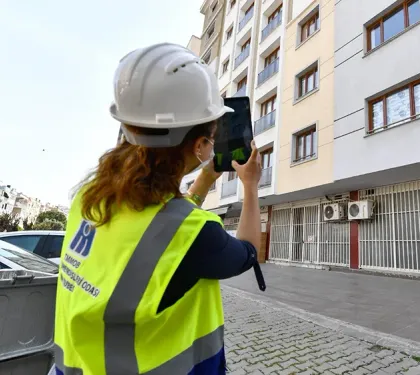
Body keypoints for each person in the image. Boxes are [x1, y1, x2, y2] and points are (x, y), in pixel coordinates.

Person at [52, 43, 263, 375]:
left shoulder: (88, 197)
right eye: (211, 136)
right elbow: (250, 251)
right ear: (199, 147)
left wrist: (205, 181)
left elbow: (157, 225)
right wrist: (250, 185)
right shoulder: (196, 234)